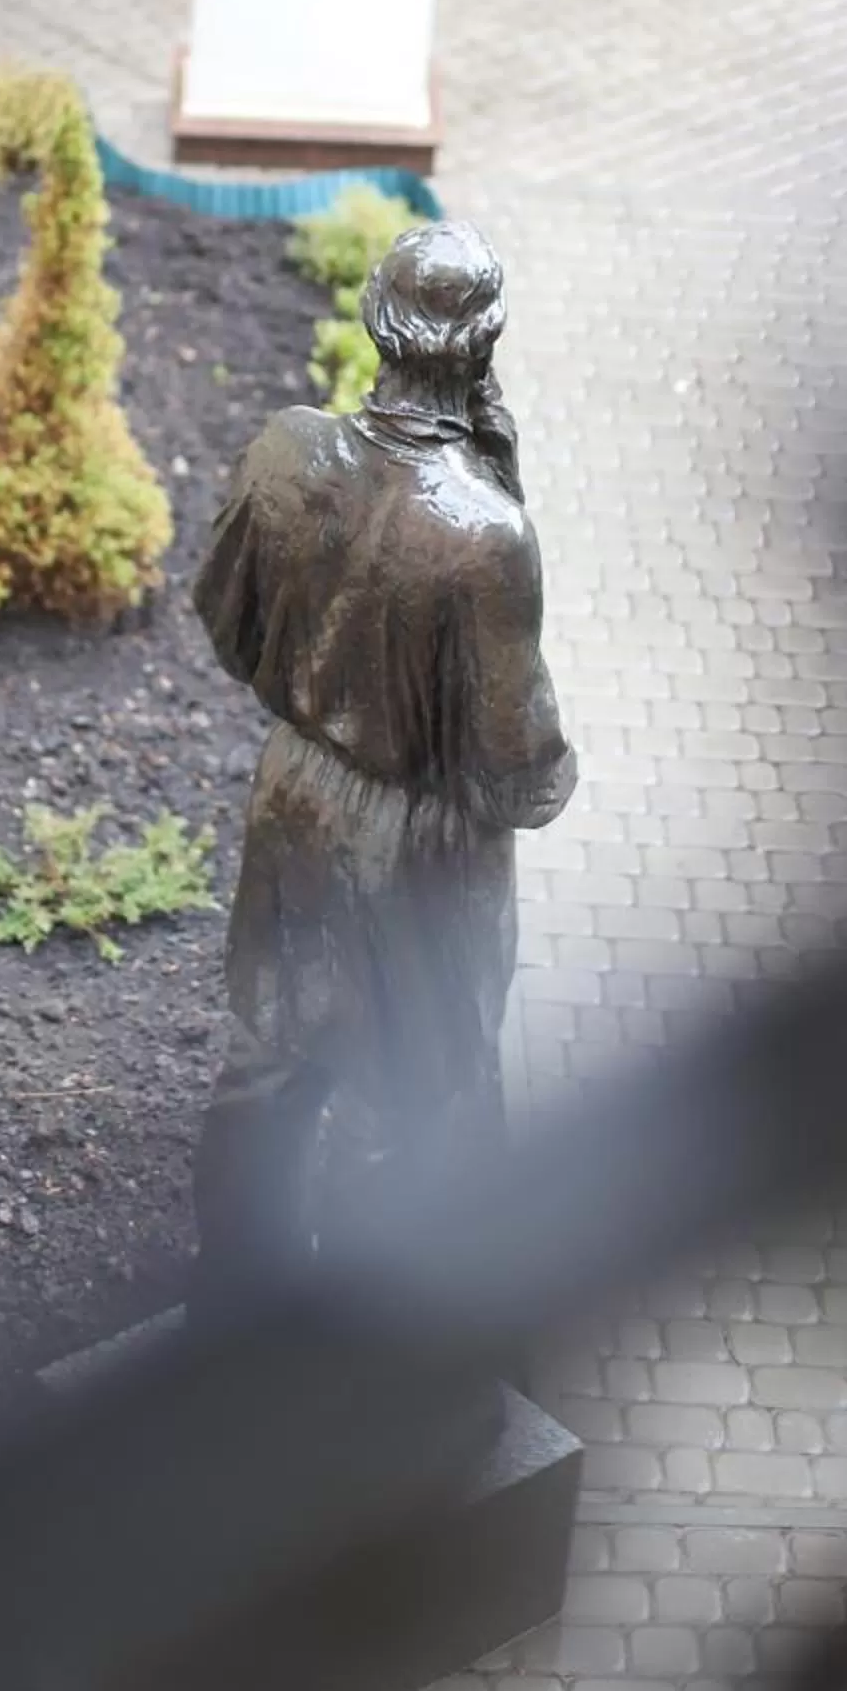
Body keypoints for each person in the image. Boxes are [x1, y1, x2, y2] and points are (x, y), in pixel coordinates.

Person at [191, 218, 577, 1289]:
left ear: (374, 323)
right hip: (418, 846)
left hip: (293, 796)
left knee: (272, 1054)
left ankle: (233, 1293)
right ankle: (385, 1338)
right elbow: (517, 770)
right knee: (409, 1096)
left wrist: (319, 697)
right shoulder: (485, 537)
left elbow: (225, 617)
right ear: (483, 345)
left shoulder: (285, 450)